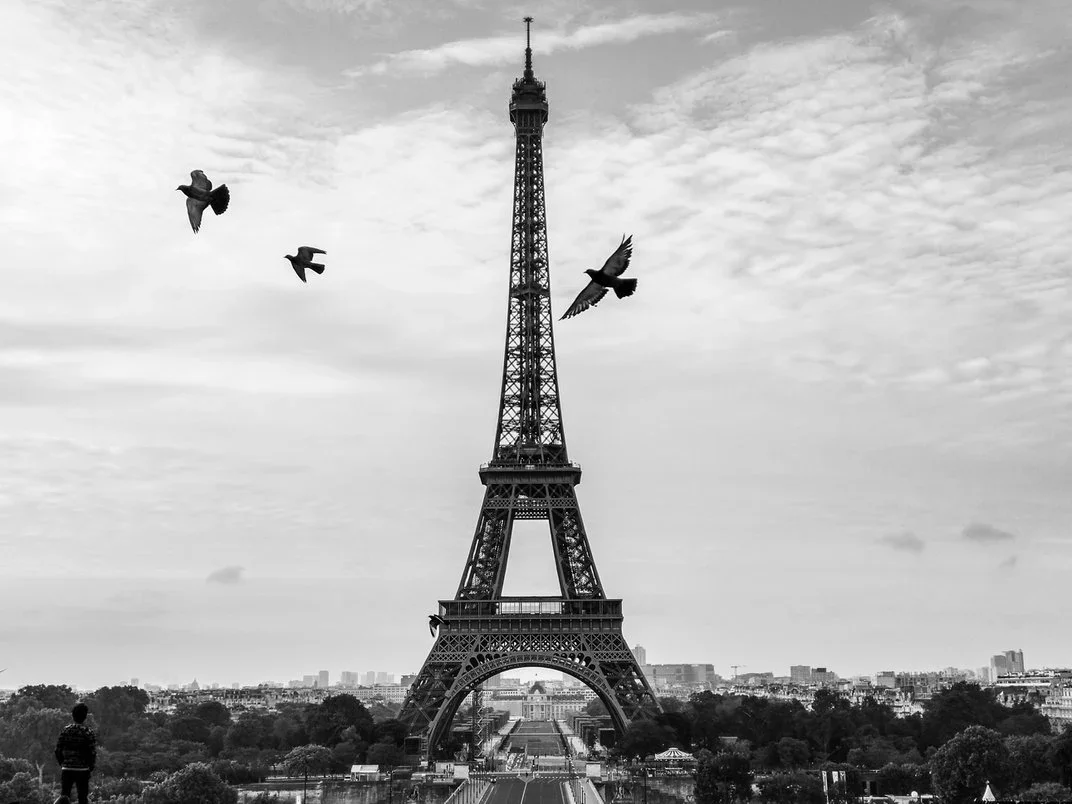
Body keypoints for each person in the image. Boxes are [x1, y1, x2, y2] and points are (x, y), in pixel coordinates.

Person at [54, 702, 96, 804]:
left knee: (64, 797)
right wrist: (90, 767)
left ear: (73, 716)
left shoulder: (66, 731)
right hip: (83, 769)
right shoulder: (88, 732)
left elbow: (57, 750)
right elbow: (92, 753)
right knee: (82, 797)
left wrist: (63, 763)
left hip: (67, 768)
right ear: (85, 717)